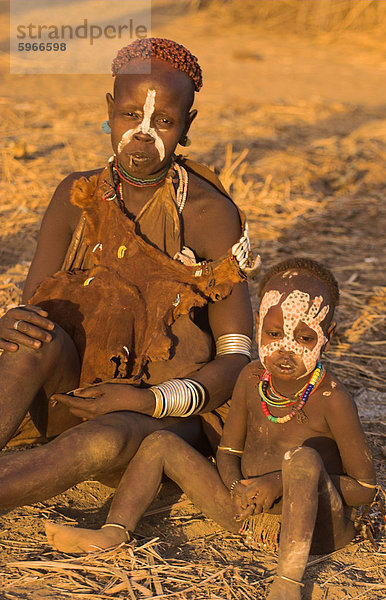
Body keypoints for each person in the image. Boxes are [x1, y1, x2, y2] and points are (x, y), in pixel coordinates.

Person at [0, 38, 255, 508]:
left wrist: (146, 401)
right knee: (27, 340)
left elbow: (238, 360)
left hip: (155, 417)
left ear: (188, 125)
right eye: (130, 115)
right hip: (71, 394)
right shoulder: (75, 197)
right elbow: (38, 311)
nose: (143, 134)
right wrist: (11, 323)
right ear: (109, 109)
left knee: (105, 440)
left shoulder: (210, 215)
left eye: (163, 121)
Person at [45, 257, 375, 600]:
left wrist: (277, 482)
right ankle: (114, 530)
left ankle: (287, 584)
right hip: (248, 518)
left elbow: (365, 489)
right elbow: (228, 450)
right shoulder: (250, 378)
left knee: (303, 459)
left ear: (328, 337)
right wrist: (237, 487)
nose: (285, 349)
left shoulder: (332, 399)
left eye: (304, 337)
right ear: (258, 326)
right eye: (273, 334)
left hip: (315, 531)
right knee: (160, 442)